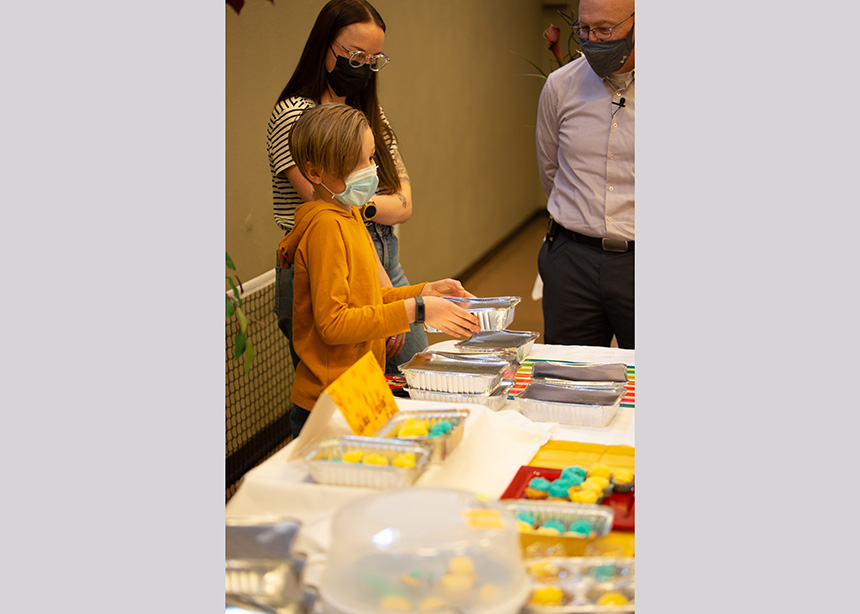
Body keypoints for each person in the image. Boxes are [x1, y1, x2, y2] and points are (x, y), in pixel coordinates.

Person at [278, 104, 480, 438]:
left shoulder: (350, 214)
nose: (370, 169)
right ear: (315, 173)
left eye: (371, 158)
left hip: (358, 384)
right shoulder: (326, 227)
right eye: (357, 163)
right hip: (330, 401)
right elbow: (334, 323)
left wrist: (423, 292)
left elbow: (367, 297)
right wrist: (416, 310)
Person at [267, 0, 428, 374]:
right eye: (355, 56)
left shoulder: (368, 110)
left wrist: (364, 206)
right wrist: (384, 296)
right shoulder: (295, 115)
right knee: (343, 385)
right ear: (325, 45)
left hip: (383, 255)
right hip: (327, 264)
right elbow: (335, 209)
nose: (364, 69)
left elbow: (403, 204)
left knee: (414, 371)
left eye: (373, 61)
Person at [535, 0, 635, 349]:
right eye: (585, 29)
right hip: (572, 260)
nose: (592, 40)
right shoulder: (561, 86)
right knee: (565, 382)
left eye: (605, 29)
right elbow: (551, 168)